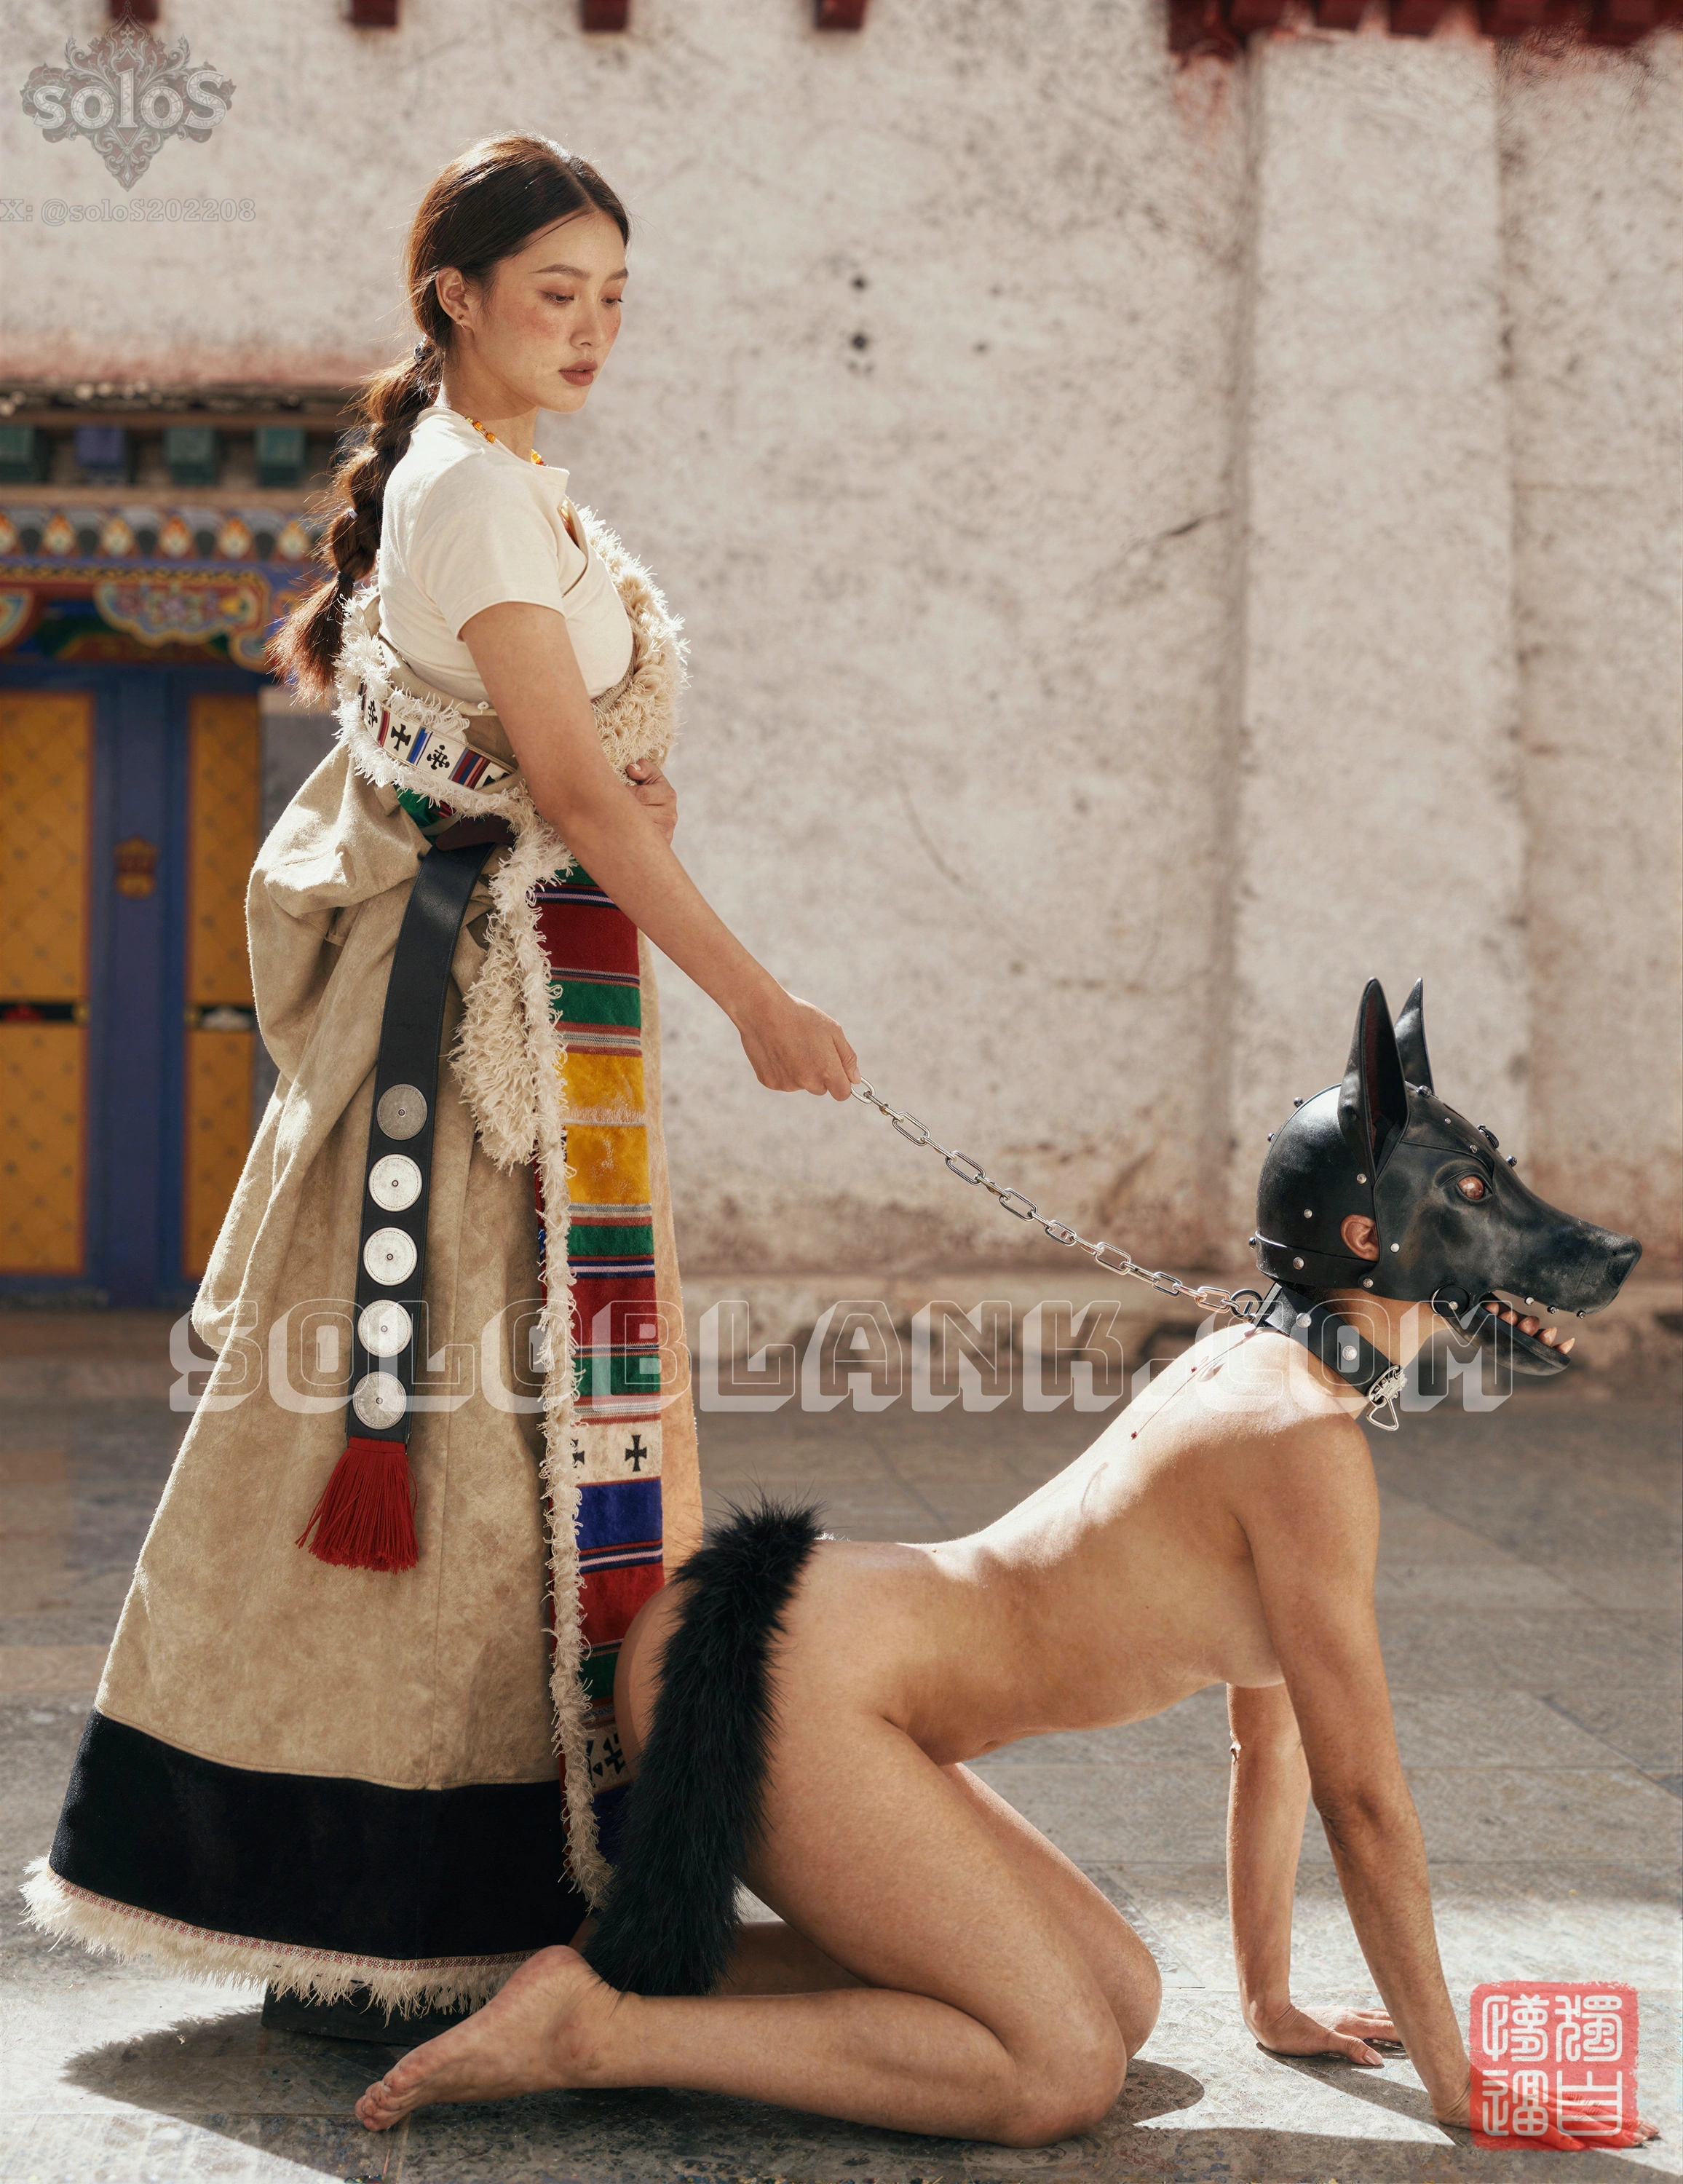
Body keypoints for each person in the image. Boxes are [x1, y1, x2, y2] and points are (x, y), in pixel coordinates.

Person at [25, 133, 856, 2025]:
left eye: (614, 299)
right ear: (455, 297)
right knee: (454, 1440)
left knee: (522, 1447)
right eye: (553, 293)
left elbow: (562, 774)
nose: (590, 330)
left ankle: (505, 1870)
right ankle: (392, 1892)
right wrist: (757, 995)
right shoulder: (472, 496)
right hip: (470, 1038)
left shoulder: (514, 489)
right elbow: (559, 792)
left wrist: (623, 806)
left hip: (539, 1011)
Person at [354, 981, 1652, 2150]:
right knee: (1060, 2068)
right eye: (1468, 1202)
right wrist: (1457, 2086)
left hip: (799, 1633)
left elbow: (1280, 1748)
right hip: (804, 1683)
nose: (1505, 1230)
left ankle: (592, 1970)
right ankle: (593, 2037)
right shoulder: (1301, 1437)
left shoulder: (1259, 1375)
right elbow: (1364, 1804)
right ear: (1373, 1243)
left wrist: (1268, 2000)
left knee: (1127, 1995)